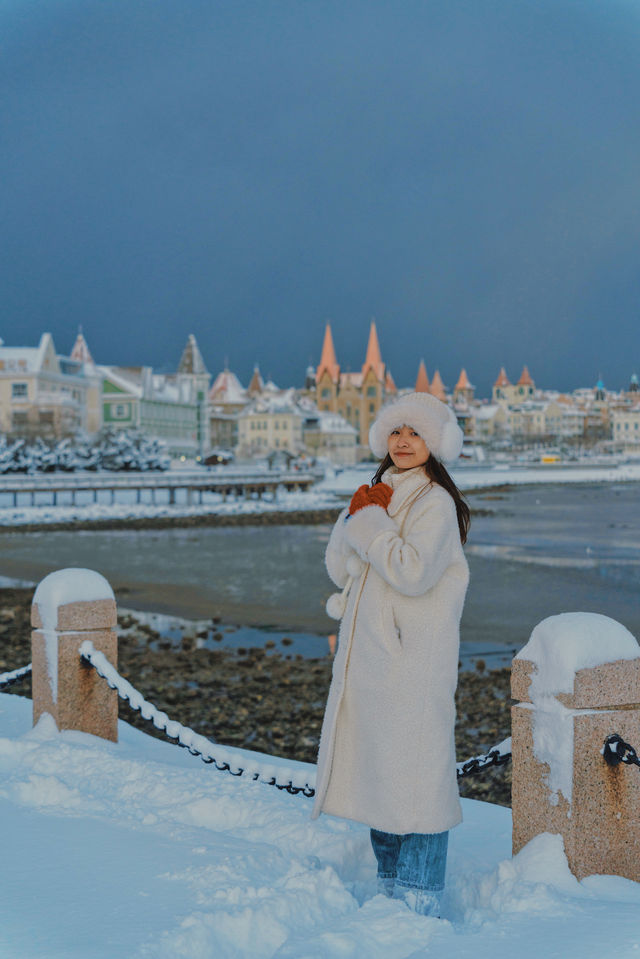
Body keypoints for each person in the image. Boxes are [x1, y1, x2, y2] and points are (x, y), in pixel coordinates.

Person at [311, 391, 470, 918]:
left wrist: (370, 526)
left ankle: (419, 904)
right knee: (383, 773)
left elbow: (412, 571)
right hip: (373, 662)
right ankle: (388, 893)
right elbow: (341, 569)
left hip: (413, 661)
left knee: (419, 783)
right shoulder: (375, 493)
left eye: (416, 433)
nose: (403, 442)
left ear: (435, 443)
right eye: (396, 432)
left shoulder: (435, 503)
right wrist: (358, 517)